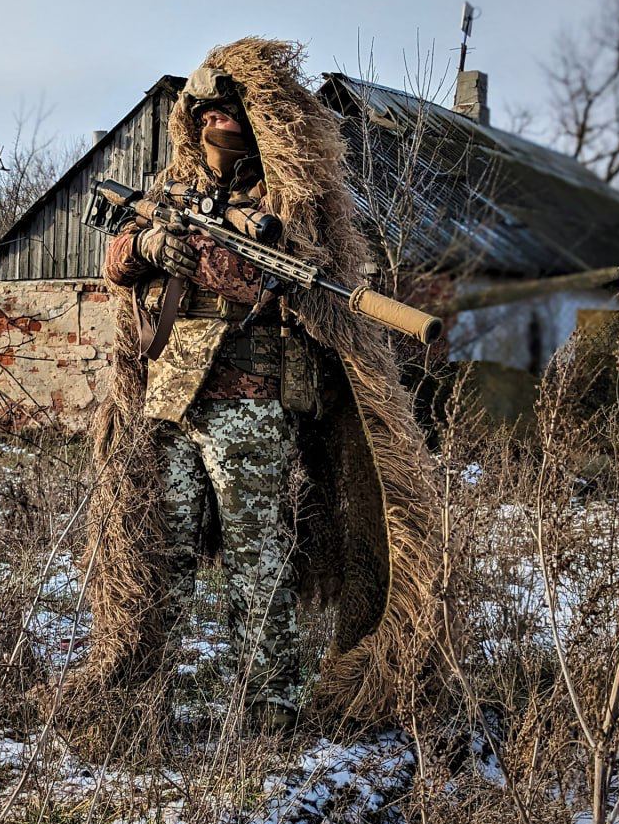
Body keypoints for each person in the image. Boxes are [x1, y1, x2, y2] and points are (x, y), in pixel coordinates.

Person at [66, 38, 442, 740]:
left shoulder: (281, 204)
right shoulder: (169, 193)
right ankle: (144, 694)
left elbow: (285, 284)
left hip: (250, 399)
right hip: (172, 400)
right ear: (194, 122)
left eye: (228, 116)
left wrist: (220, 264)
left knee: (256, 558)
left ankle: (272, 704)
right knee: (163, 551)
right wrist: (151, 248)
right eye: (206, 116)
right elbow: (117, 261)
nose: (216, 127)